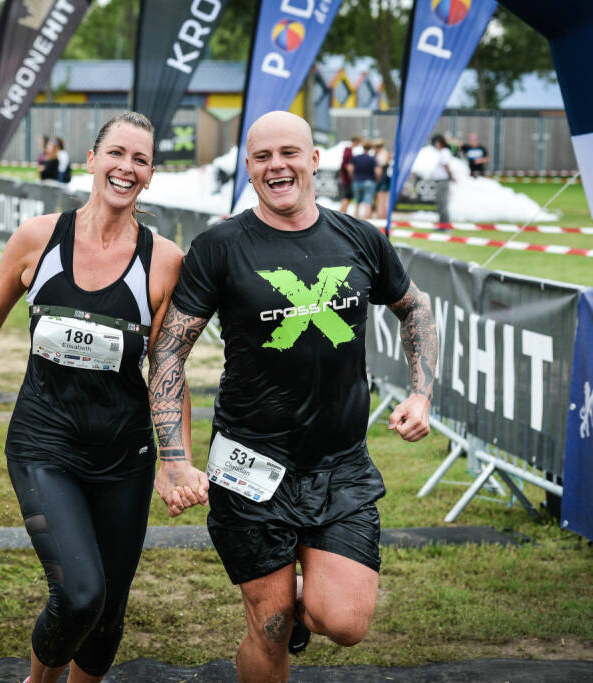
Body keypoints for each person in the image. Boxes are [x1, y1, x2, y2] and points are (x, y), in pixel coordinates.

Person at [148, 111, 437, 683]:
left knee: (347, 621)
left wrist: (422, 393)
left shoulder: (358, 238)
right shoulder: (220, 246)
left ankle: (293, 601)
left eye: (289, 153)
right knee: (271, 625)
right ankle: (273, 614)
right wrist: (174, 457)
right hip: (250, 464)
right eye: (262, 157)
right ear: (250, 170)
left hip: (340, 466)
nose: (277, 165)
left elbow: (415, 306)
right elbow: (168, 353)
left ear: (314, 160)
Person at [0, 111, 187, 683]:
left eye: (141, 160)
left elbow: (167, 367)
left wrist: (173, 460)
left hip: (124, 455)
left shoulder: (164, 260)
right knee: (80, 594)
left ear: (150, 175)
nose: (126, 168)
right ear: (91, 160)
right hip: (43, 443)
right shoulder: (39, 237)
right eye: (117, 154)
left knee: (106, 616)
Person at [431, 134, 455, 228]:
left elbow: (446, 166)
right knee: (440, 204)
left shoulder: (444, 152)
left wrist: (450, 176)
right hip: (439, 180)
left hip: (442, 181)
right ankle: (442, 224)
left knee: (443, 203)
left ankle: (445, 225)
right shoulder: (442, 152)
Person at [351, 140, 378, 221]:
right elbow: (377, 171)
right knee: (368, 202)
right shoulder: (372, 159)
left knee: (357, 202)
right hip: (369, 181)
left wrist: (353, 176)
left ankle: (355, 220)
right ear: (370, 149)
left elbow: (350, 168)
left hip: (357, 180)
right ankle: (366, 221)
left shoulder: (356, 157)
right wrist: (377, 179)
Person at [337, 135, 361, 214]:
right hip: (347, 178)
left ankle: (343, 213)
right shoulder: (348, 151)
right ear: (355, 142)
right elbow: (346, 165)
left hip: (346, 178)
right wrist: (352, 176)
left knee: (348, 197)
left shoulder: (348, 151)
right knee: (347, 197)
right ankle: (341, 214)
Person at [373, 139, 392, 220]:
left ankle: (380, 217)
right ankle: (385, 217)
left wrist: (377, 179)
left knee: (380, 200)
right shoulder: (386, 153)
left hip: (382, 178)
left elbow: (379, 170)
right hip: (387, 178)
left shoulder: (379, 155)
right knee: (386, 200)